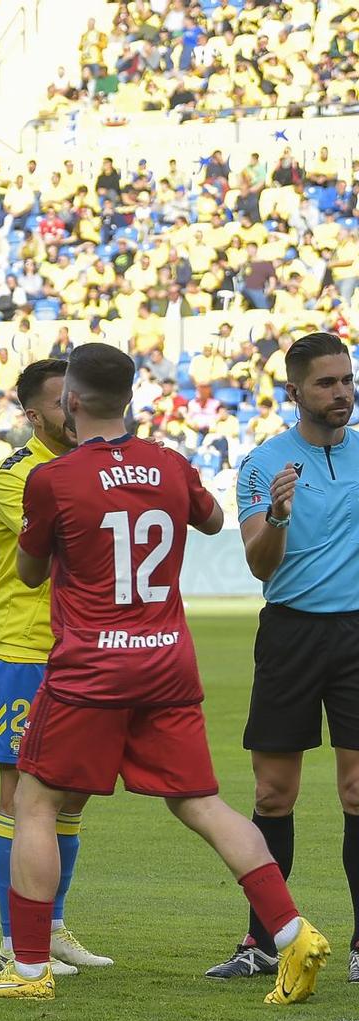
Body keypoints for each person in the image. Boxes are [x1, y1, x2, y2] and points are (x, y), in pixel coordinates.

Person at [0, 342, 331, 1003]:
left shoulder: (53, 479)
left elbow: (30, 572)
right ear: (129, 400)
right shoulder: (169, 464)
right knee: (202, 802)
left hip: (91, 667)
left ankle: (29, 968)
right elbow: (214, 520)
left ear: (71, 401)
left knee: (33, 801)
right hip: (165, 657)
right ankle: (291, 929)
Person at [220, 331, 359, 984]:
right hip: (290, 634)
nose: (342, 393)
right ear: (295, 391)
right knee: (274, 794)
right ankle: (263, 942)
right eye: (327, 383)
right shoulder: (263, 462)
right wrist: (278, 514)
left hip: (357, 637)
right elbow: (257, 562)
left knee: (358, 789)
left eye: (347, 379)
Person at [0, 360, 110, 972]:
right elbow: (68, 549)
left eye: (78, 398)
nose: (74, 411)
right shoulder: (14, 476)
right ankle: (14, 937)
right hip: (23, 649)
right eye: (62, 403)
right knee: (21, 795)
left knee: (74, 795)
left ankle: (52, 927)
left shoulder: (92, 469)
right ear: (34, 415)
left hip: (80, 652)